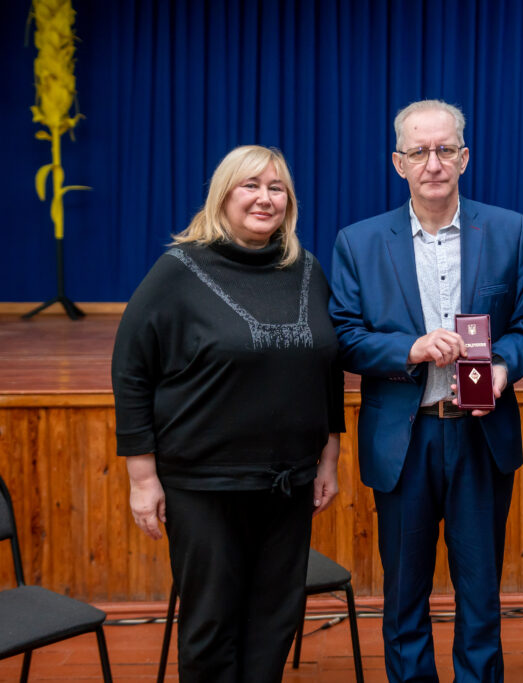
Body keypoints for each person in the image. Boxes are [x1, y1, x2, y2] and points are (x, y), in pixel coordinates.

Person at [111, 145, 344, 683]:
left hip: (288, 482)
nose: (265, 198)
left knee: (275, 620)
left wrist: (328, 458)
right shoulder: (178, 271)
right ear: (223, 195)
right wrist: (141, 478)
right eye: (251, 186)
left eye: (277, 188)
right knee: (212, 624)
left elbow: (327, 369)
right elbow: (131, 372)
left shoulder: (306, 269)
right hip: (204, 484)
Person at [329, 99, 523, 682]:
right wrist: (410, 349)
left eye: (445, 149)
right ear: (399, 163)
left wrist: (503, 365)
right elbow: (344, 338)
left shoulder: (509, 230)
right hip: (405, 438)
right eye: (419, 151)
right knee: (404, 596)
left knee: (481, 594)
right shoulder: (359, 241)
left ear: (464, 157)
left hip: (480, 436)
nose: (433, 163)